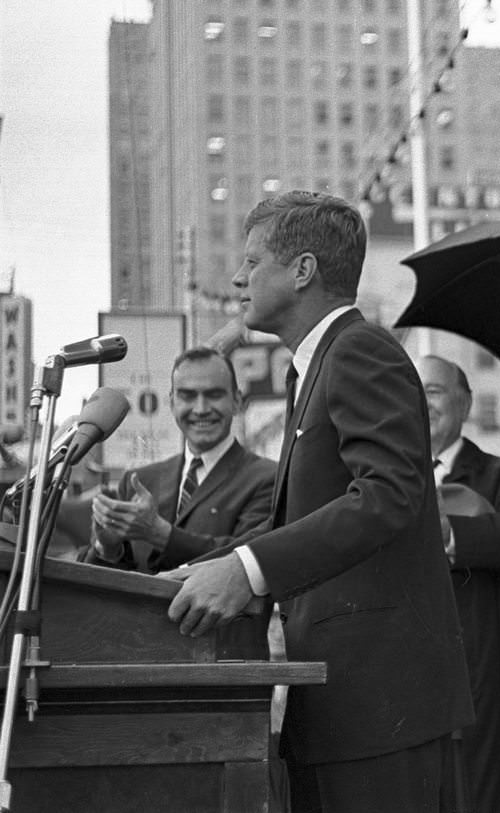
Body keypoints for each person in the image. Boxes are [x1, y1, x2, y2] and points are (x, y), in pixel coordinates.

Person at [165, 191, 473, 813]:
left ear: (302, 270)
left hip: (381, 702)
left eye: (253, 262)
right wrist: (203, 569)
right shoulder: (309, 368)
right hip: (340, 703)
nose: (237, 278)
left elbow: (387, 495)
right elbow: (298, 521)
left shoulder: (360, 351)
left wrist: (247, 571)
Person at [422, 355, 500, 813]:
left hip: (480, 665)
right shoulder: (385, 479)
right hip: (406, 670)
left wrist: (451, 533)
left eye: (433, 391)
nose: (422, 403)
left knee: (483, 792)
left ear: (465, 401)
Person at [85, 346, 276, 573]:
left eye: (214, 395)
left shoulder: (268, 479)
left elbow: (248, 559)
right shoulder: (139, 481)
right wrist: (108, 548)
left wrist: (159, 533)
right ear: (172, 402)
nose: (201, 409)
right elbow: (107, 586)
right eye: (188, 396)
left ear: (237, 401)